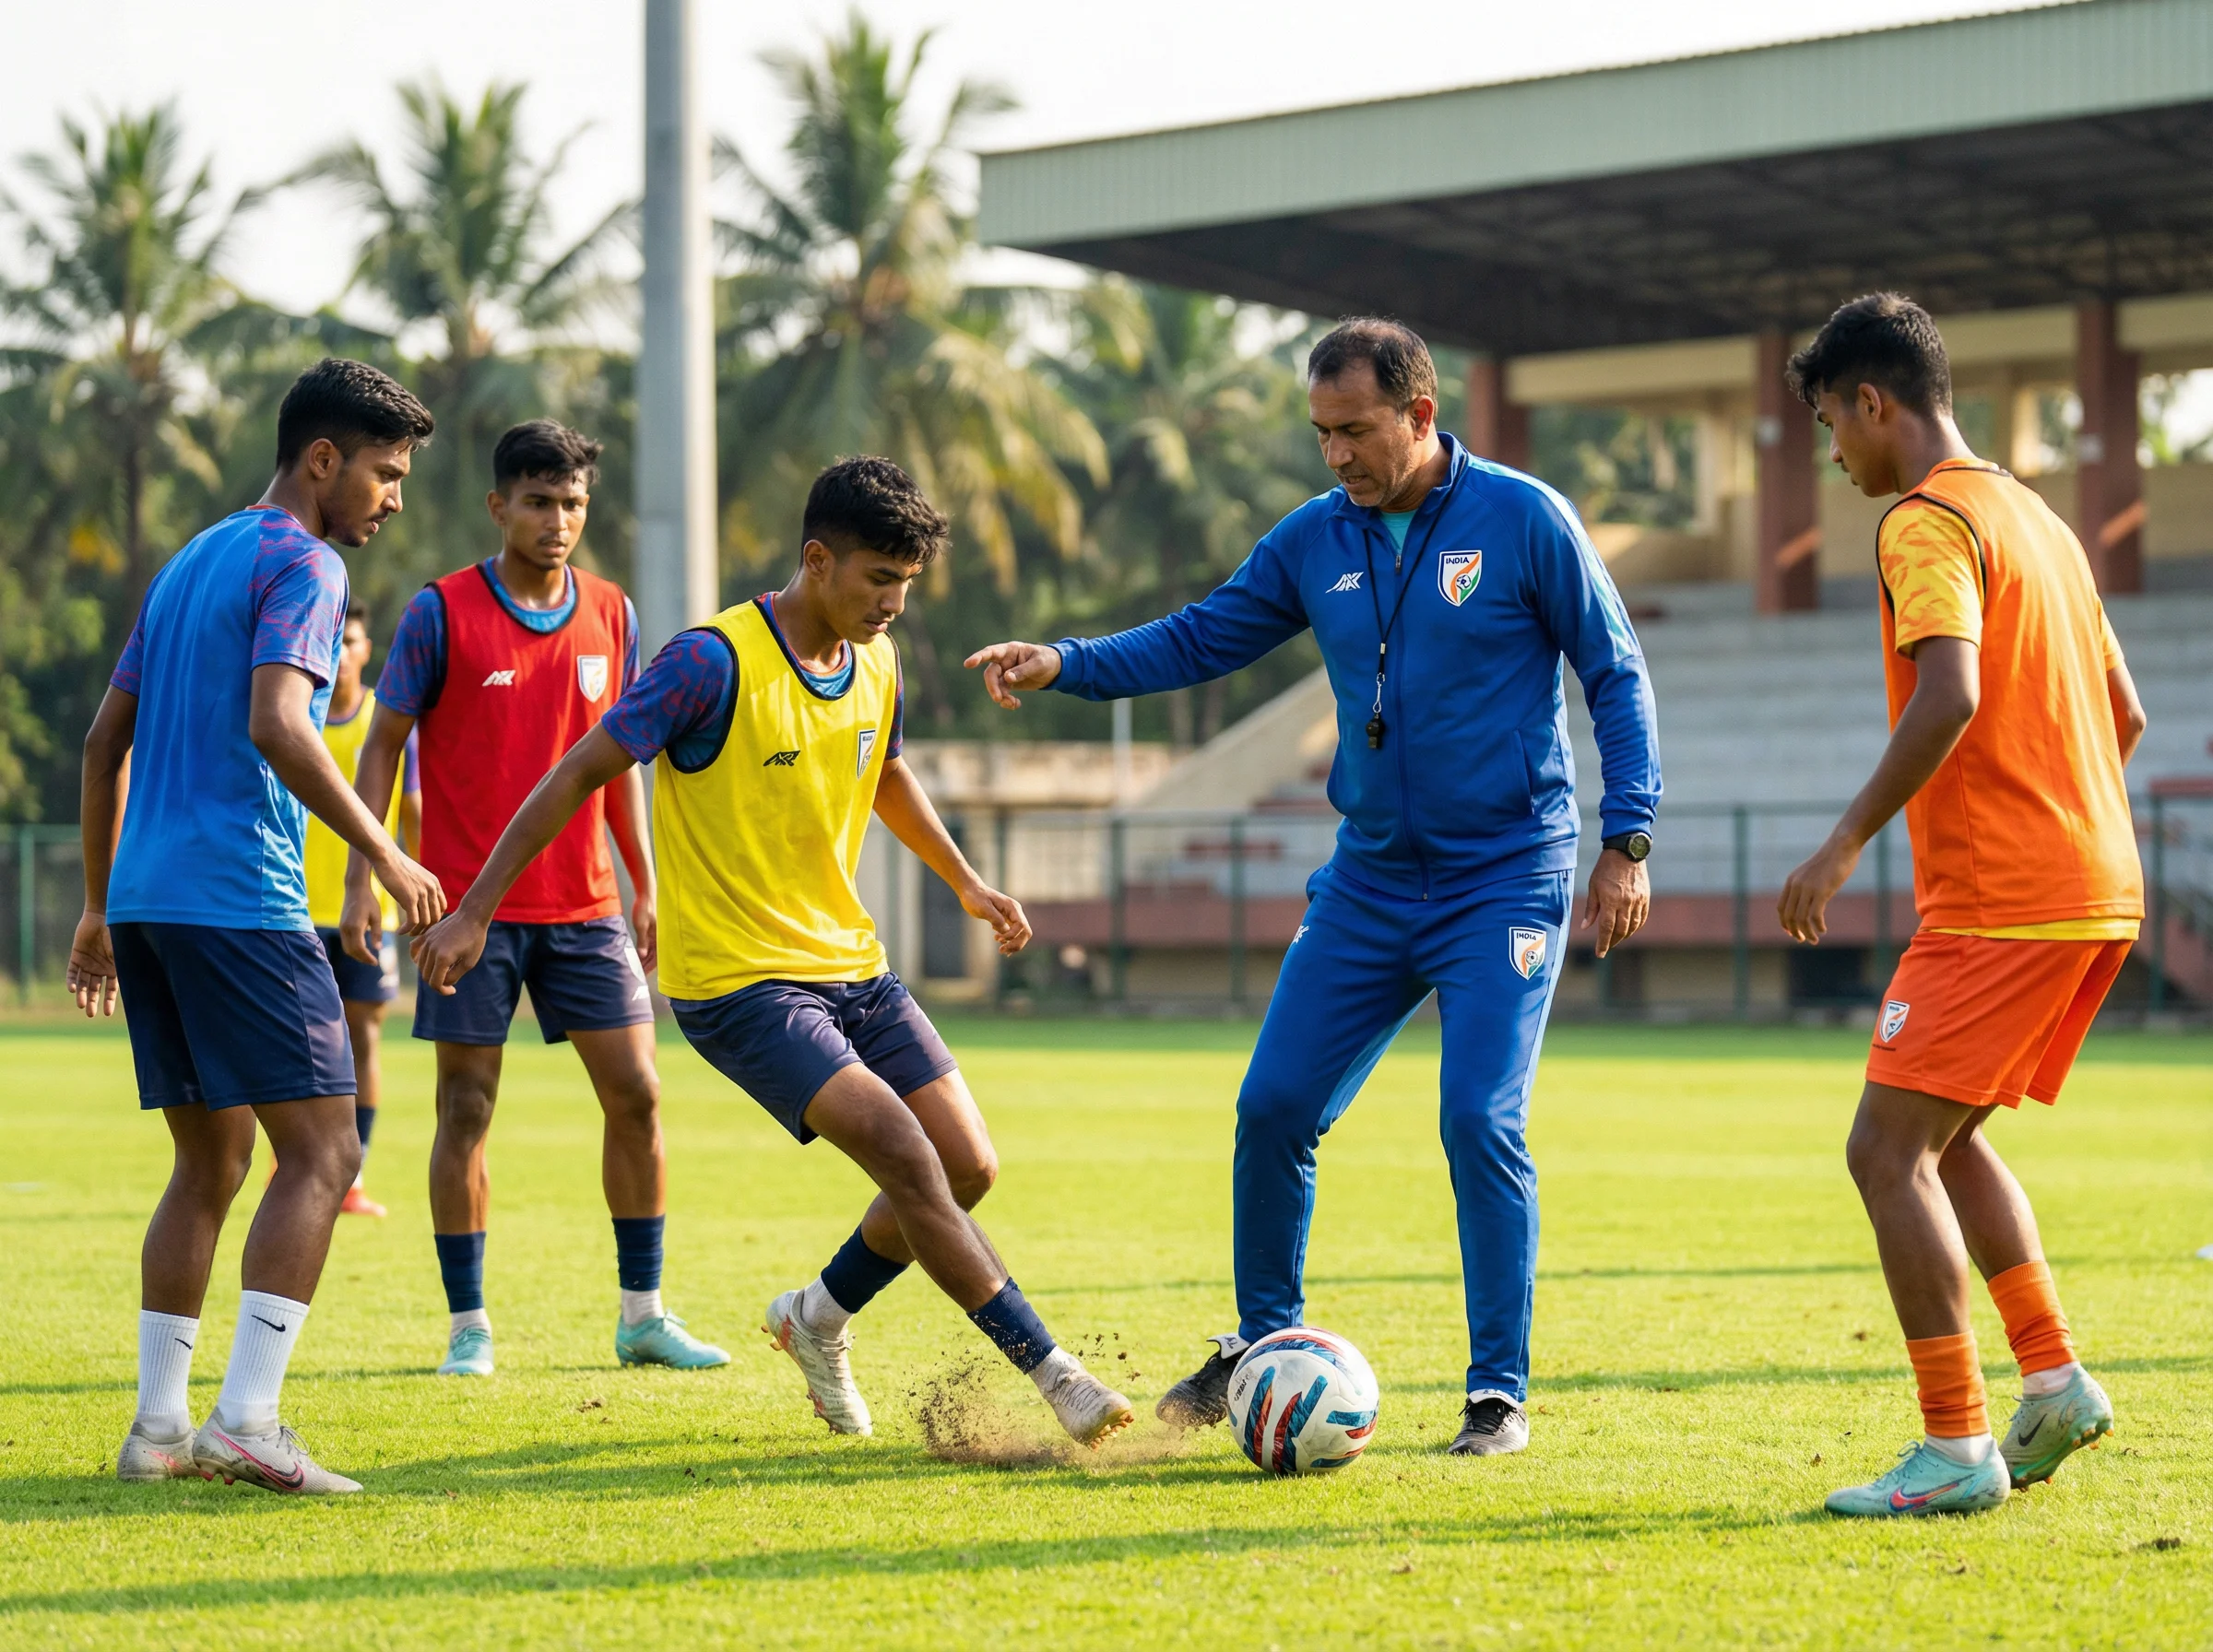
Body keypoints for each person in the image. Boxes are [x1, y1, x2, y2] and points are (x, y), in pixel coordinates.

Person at [967, 319, 1662, 1456]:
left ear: (1421, 415)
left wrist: (1626, 839)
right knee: (1274, 1107)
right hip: (1370, 883)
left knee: (1478, 1118)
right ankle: (1262, 1342)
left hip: (1504, 875)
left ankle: (1497, 1394)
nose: (1334, 456)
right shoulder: (1313, 539)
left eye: (1354, 431)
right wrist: (1068, 663)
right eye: (1319, 434)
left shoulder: (1526, 520)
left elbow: (1615, 673)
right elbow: (1202, 638)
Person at [411, 456, 1136, 1446]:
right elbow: (579, 768)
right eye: (878, 578)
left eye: (906, 585)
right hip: (739, 981)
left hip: (852, 964)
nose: (892, 603)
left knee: (966, 1165)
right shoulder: (708, 661)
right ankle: (1057, 1374)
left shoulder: (873, 658)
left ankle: (817, 1317)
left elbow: (883, 772)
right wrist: (475, 909)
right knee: (903, 1152)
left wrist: (964, 879)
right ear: (816, 559)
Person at [1778, 293, 2143, 1517]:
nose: (1835, 453)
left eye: (1834, 422)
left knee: (1883, 1151)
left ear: (1876, 403)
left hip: (2004, 897)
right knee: (1952, 1138)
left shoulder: (1924, 522)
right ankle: (2054, 1382)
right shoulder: (2040, 521)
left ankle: (1956, 1447)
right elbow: (2124, 714)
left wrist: (1839, 843)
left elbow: (1950, 694)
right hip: (2096, 885)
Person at [69, 358, 444, 1494]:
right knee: (326, 1152)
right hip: (242, 897)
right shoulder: (305, 563)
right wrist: (381, 849)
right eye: (382, 474)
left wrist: (96, 903)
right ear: (322, 459)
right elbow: (283, 721)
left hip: (147, 901)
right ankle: (248, 1419)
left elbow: (100, 746)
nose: (389, 500)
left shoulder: (191, 560)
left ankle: (158, 1427)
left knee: (212, 1159)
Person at [345, 419, 725, 1378]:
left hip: (586, 906)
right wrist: (370, 872)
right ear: (500, 506)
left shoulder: (614, 612)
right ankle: (468, 1325)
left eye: (575, 505)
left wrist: (643, 878)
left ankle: (643, 1313)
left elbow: (623, 761)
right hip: (465, 912)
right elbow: (382, 744)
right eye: (541, 503)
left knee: (638, 1093)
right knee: (465, 1107)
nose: (560, 522)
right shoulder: (441, 612)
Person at [298, 600, 421, 1218]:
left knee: (363, 1037)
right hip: (294, 910)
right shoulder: (292, 716)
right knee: (297, 1042)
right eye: (333, 640)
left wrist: (420, 896)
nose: (342, 651)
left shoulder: (388, 721)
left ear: (367, 649)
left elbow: (416, 811)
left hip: (373, 913)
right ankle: (293, 1161)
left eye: (352, 641)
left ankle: (354, 1174)